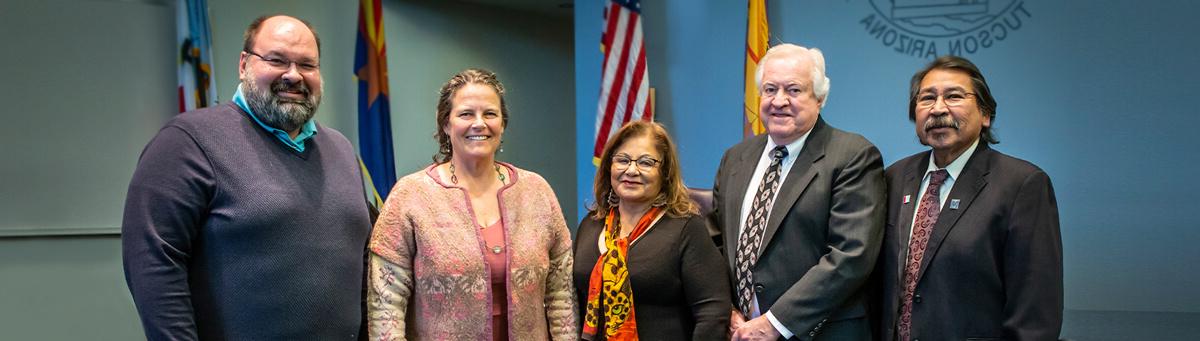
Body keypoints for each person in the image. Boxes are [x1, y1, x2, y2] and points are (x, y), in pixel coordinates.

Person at [122, 15, 372, 340]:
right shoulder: (187, 142)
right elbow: (155, 262)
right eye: (277, 60)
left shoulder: (340, 149)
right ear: (244, 65)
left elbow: (364, 259)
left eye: (307, 65)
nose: (294, 75)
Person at [367, 68, 577, 340]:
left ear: (502, 124)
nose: (479, 123)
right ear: (446, 124)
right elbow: (386, 303)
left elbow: (562, 295)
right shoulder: (411, 195)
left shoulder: (537, 191)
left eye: (490, 114)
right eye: (466, 114)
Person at [871, 55, 1063, 341]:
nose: (938, 109)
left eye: (953, 96)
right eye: (927, 99)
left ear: (985, 114)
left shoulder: (1022, 185)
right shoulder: (895, 177)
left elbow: (1035, 312)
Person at [709, 43, 886, 340]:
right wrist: (724, 308)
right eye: (769, 89)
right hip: (739, 332)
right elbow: (713, 243)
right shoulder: (735, 158)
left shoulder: (853, 156)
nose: (779, 101)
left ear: (819, 98)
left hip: (819, 333)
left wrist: (775, 323)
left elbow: (851, 255)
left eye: (793, 90)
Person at [572, 121, 731, 340]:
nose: (631, 170)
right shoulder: (591, 224)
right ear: (609, 165)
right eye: (623, 160)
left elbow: (713, 314)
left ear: (665, 172)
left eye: (646, 162)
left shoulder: (686, 228)